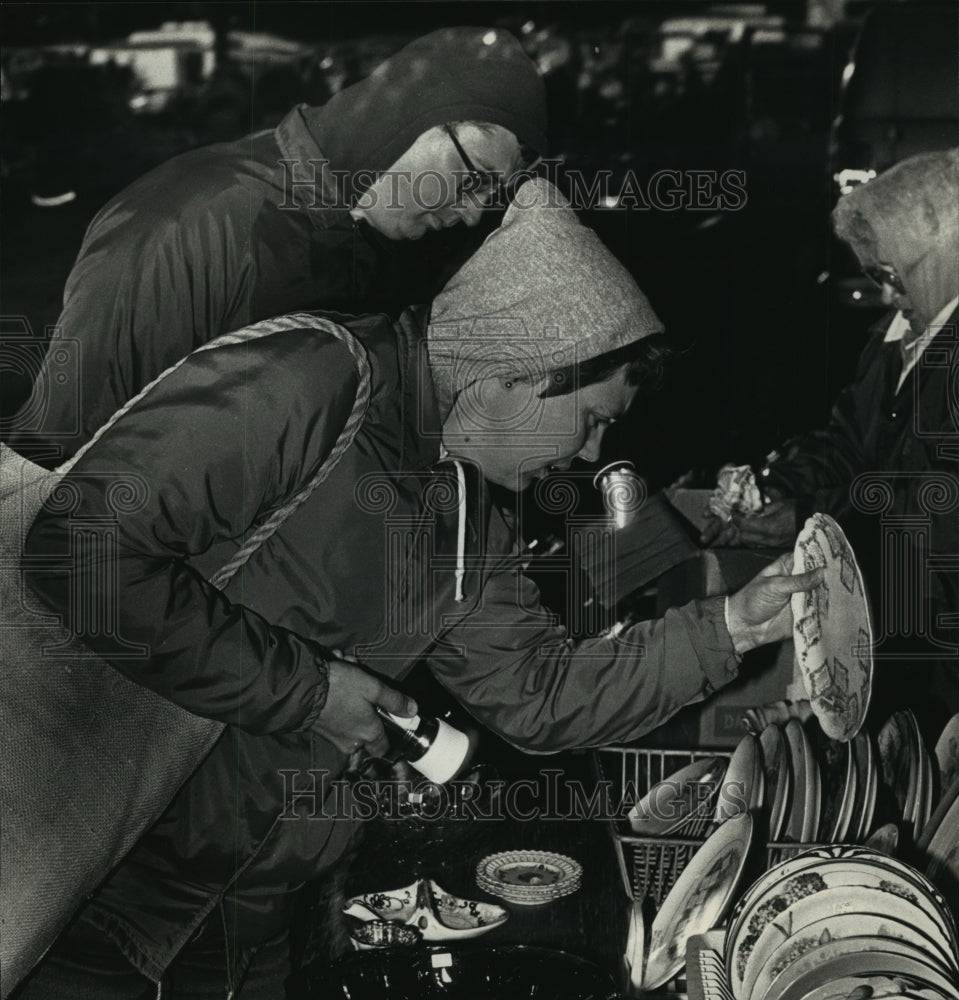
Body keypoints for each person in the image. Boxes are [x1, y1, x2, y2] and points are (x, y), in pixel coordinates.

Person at [19, 181, 821, 997]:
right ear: (514, 373)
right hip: (93, 888)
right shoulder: (310, 382)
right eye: (591, 419)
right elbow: (77, 549)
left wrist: (729, 628)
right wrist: (308, 692)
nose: (589, 456)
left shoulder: (470, 509)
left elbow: (537, 696)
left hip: (252, 912)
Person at [8, 27, 546, 467]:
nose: (474, 210)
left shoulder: (394, 243)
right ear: (412, 116)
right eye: (474, 176)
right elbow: (56, 464)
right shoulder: (190, 224)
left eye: (492, 195)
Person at [700, 148, 959, 727]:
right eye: (874, 275)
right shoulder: (898, 337)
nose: (885, 295)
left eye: (892, 276)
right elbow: (846, 442)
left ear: (948, 251)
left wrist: (814, 515)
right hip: (899, 635)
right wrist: (777, 488)